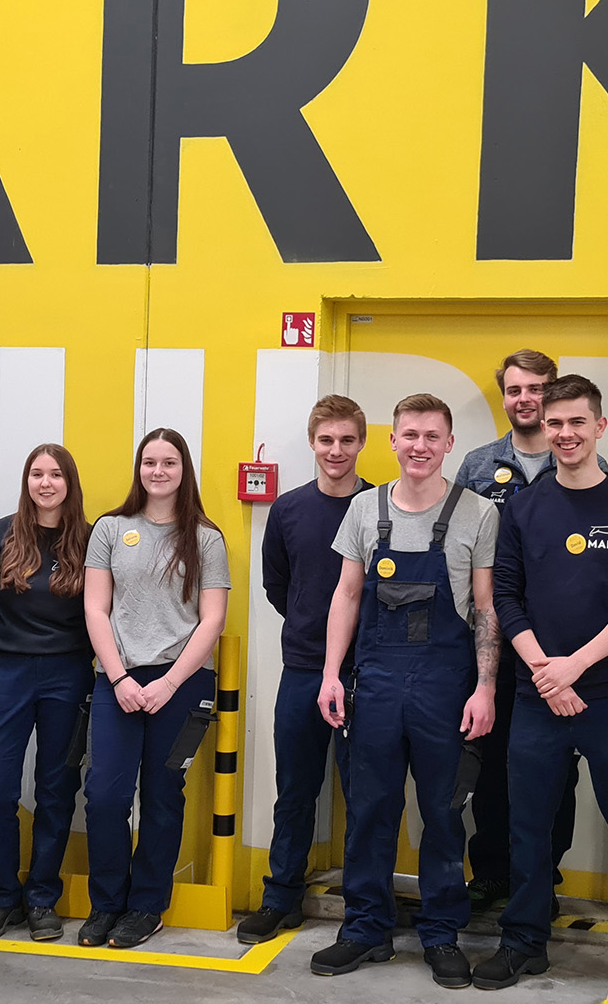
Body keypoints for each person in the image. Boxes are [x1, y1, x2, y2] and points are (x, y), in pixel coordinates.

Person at [472, 375, 608, 1002]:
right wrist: (546, 672)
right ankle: (523, 941)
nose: (565, 434)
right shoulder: (521, 509)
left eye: (577, 422)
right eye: (556, 423)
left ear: (599, 427)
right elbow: (505, 597)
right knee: (528, 826)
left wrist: (576, 667)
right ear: (545, 428)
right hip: (536, 696)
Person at [312, 394, 500, 989]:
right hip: (376, 684)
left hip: (446, 688)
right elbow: (346, 595)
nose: (420, 446)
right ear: (392, 440)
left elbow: (486, 607)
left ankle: (442, 934)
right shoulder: (364, 509)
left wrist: (486, 687)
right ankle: (366, 928)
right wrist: (331, 674)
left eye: (432, 436)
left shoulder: (478, 513)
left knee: (443, 813)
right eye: (410, 435)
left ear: (449, 444)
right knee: (370, 809)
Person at [454, 349, 596, 910]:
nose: (526, 399)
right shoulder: (477, 466)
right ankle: (491, 872)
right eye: (515, 389)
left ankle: (542, 877)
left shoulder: (588, 463)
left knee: (558, 771)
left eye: (537, 388)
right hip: (493, 647)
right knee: (489, 764)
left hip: (560, 652)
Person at [79, 428, 231, 950]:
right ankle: (106, 904)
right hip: (117, 681)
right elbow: (95, 608)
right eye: (149, 462)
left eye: (169, 462)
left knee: (164, 797)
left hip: (181, 685)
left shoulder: (206, 538)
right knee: (104, 796)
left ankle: (146, 907)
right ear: (138, 469)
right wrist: (119, 677)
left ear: (184, 470)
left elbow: (212, 620)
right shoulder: (110, 528)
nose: (158, 471)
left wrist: (169, 682)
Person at [237, 395, 370, 944]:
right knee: (294, 789)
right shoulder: (288, 510)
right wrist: (308, 626)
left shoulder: (382, 507)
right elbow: (277, 585)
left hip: (368, 673)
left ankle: (365, 906)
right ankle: (282, 897)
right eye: (326, 440)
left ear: (362, 443)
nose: (336, 451)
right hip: (302, 670)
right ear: (313, 443)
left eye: (346, 440)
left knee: (365, 795)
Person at [0, 444, 94, 943]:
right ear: (26, 481)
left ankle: (41, 897)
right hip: (7, 672)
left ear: (70, 482)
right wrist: (4, 650)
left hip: (69, 674)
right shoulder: (0, 536)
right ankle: (1, 897)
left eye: (56, 474)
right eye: (37, 474)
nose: (46, 483)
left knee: (56, 789)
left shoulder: (90, 539)